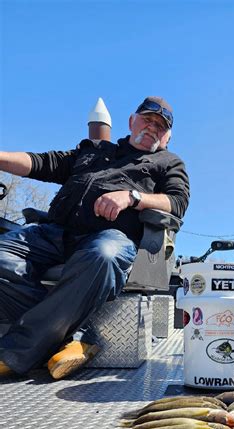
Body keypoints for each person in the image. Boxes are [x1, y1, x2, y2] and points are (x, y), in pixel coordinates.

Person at [0, 96, 189, 380]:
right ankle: (72, 338)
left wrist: (133, 197)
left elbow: (177, 202)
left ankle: (16, 352)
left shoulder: (168, 163)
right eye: (147, 120)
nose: (152, 128)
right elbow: (41, 163)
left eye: (161, 126)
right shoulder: (93, 150)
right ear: (131, 121)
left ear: (168, 137)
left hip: (109, 238)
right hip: (53, 232)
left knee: (105, 256)